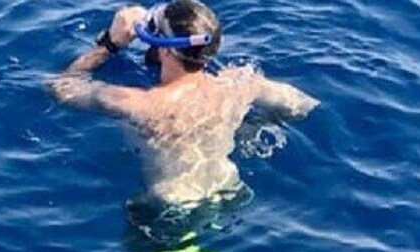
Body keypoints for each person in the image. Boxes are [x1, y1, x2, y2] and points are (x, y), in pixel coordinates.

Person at [48, 1, 318, 236]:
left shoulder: (141, 104)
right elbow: (300, 105)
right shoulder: (239, 84)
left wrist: (110, 43)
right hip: (227, 191)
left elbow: (60, 87)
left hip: (167, 210)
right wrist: (254, 126)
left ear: (166, 50)